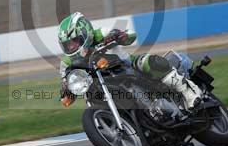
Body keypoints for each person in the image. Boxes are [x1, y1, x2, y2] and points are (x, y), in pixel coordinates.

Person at [57, 12, 202, 108]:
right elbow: (67, 81)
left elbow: (131, 35)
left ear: (85, 33)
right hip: (99, 83)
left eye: (74, 41)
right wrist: (66, 90)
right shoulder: (67, 62)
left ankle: (189, 92)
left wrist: (119, 36)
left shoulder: (100, 34)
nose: (71, 46)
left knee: (149, 62)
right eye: (67, 45)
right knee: (91, 96)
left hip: (126, 66)